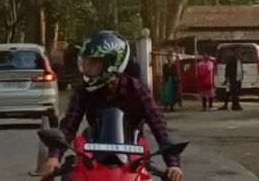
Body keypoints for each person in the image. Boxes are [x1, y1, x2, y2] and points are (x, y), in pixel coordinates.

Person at [41, 31, 184, 181]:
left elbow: (158, 125)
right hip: (93, 161)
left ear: (111, 65)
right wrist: (54, 157)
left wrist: (173, 164)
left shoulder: (137, 90)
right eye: (86, 63)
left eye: (93, 63)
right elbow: (69, 125)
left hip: (133, 162)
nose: (87, 68)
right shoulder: (84, 91)